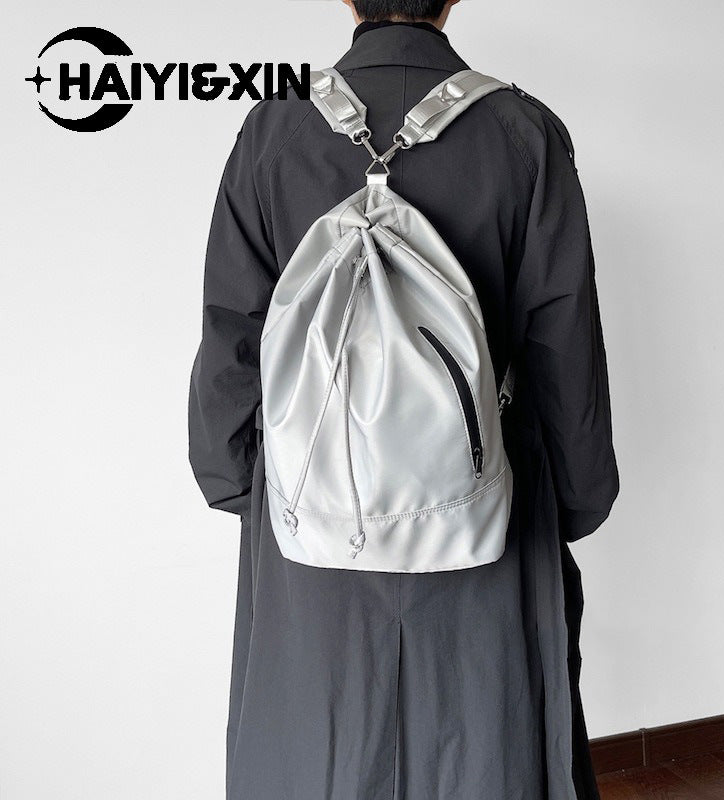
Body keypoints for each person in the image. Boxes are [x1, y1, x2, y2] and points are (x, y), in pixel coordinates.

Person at [188, 1, 619, 798]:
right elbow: (564, 342)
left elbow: (233, 332)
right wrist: (577, 495)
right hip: (485, 507)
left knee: (314, 749)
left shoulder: (272, 131)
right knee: (485, 749)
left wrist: (239, 481)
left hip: (312, 511)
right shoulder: (523, 133)